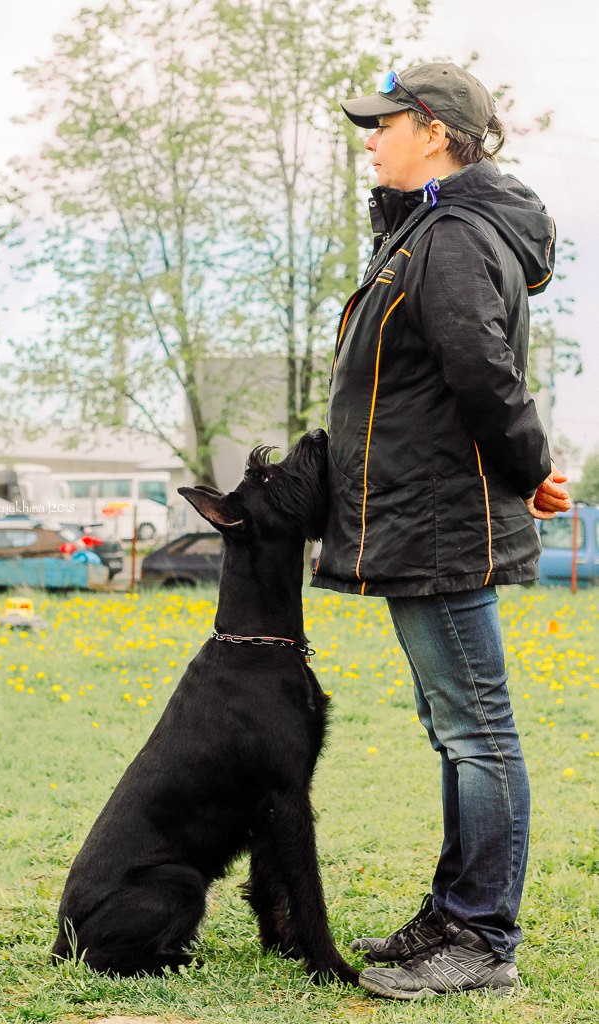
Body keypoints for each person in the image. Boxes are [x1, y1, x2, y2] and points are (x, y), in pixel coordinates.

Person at [311, 62, 571, 1000]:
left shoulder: (453, 235)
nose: (369, 139)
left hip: (438, 521)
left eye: (384, 124)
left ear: (432, 132)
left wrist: (529, 467)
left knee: (476, 731)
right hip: (423, 517)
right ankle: (453, 912)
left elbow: (482, 371)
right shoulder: (428, 228)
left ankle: (480, 940)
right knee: (456, 727)